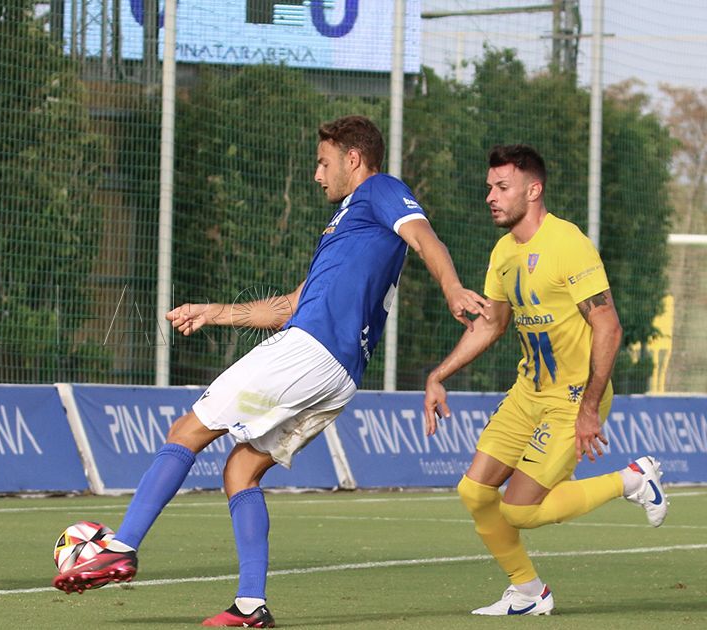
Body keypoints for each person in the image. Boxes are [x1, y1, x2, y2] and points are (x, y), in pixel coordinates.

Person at [53, 115, 490, 627]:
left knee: (187, 429)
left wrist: (453, 288)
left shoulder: (380, 191)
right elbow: (288, 305)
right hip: (339, 373)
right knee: (240, 469)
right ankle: (250, 606)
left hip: (311, 351)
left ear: (353, 158)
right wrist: (213, 311)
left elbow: (425, 238)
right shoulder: (348, 225)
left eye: (323, 163)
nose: (317, 175)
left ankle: (120, 548)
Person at [423, 144, 668, 616]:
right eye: (489, 187)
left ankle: (632, 479)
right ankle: (529, 592)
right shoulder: (503, 252)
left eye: (502, 187)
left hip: (571, 398)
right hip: (527, 393)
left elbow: (608, 326)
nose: (490, 196)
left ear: (533, 190)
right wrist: (439, 374)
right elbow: (492, 324)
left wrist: (589, 408)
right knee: (474, 492)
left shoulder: (567, 243)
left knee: (518, 510)